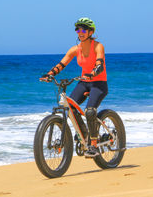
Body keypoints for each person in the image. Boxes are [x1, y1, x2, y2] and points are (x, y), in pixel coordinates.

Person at [40, 17, 108, 157]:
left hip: (99, 83)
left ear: (91, 32)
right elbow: (62, 64)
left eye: (83, 29)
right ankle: (84, 134)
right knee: (70, 107)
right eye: (78, 29)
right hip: (84, 82)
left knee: (89, 111)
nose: (80, 32)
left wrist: (93, 73)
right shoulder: (75, 49)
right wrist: (49, 74)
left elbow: (100, 63)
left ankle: (94, 146)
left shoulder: (98, 46)